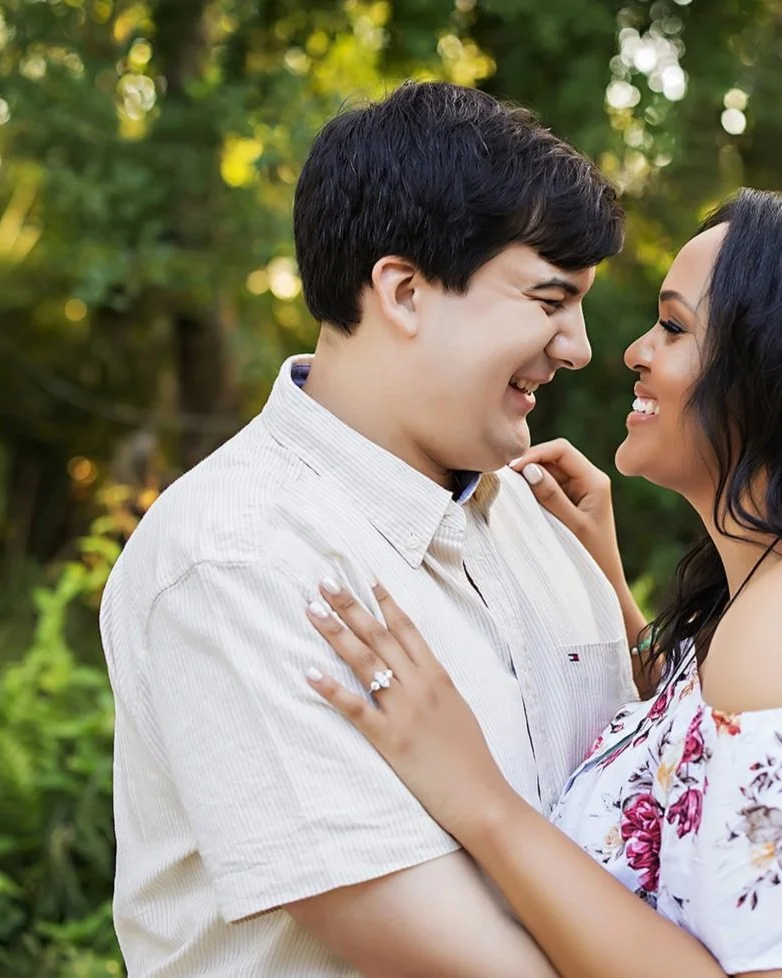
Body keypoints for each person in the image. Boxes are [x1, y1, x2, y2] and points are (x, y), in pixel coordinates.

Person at [299, 190, 782, 976]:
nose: (632, 352)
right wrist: (614, 592)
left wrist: (478, 797)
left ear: (778, 376)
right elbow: (718, 764)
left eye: (675, 327)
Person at [98, 81, 639, 976]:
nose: (577, 347)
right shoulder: (239, 557)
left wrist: (618, 600)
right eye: (549, 302)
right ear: (405, 290)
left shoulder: (547, 522)